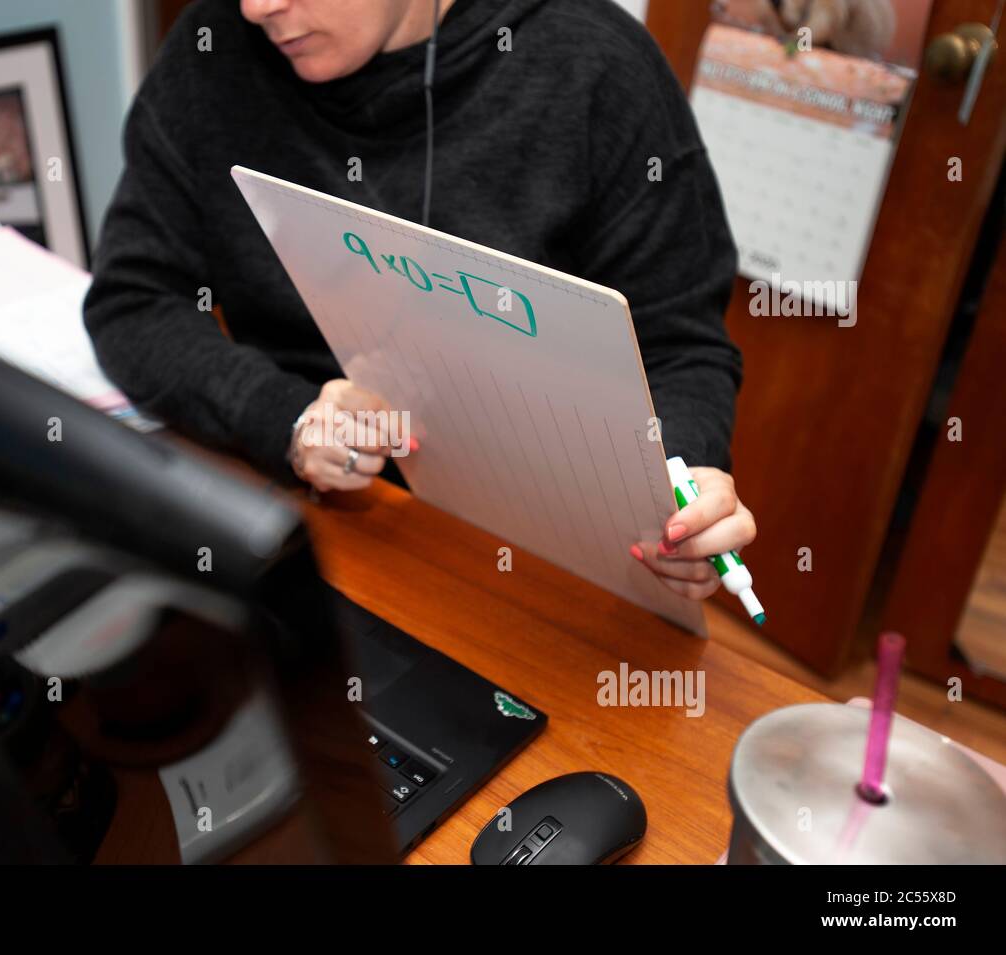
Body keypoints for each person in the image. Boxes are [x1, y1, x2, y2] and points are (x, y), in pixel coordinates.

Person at [85, 0, 756, 603]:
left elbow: (680, 350)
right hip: (306, 527)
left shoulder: (595, 67)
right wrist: (286, 416)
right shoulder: (212, 47)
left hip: (546, 565)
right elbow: (133, 299)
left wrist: (675, 494)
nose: (259, 8)